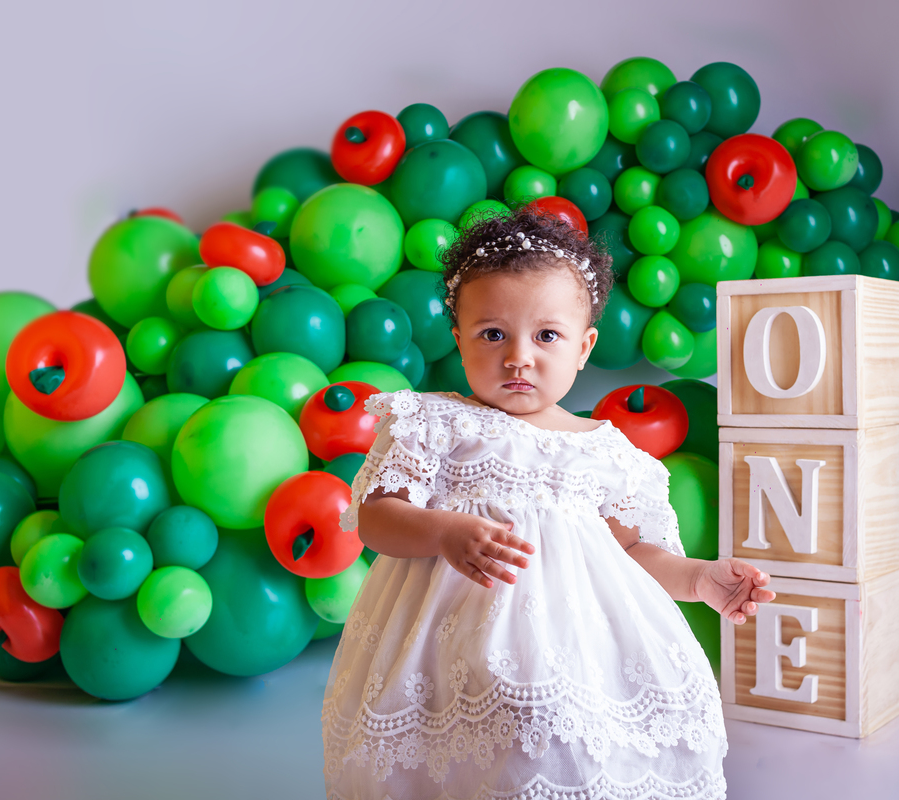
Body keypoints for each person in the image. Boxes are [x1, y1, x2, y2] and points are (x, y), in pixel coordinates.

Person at [321, 205, 775, 799]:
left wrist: (699, 580)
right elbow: (376, 518)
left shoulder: (611, 455)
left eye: (546, 336)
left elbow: (633, 552)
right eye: (492, 334)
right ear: (458, 340)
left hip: (579, 649)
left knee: (565, 744)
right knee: (484, 739)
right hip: (449, 647)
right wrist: (442, 532)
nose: (518, 356)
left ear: (584, 347)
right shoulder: (434, 423)